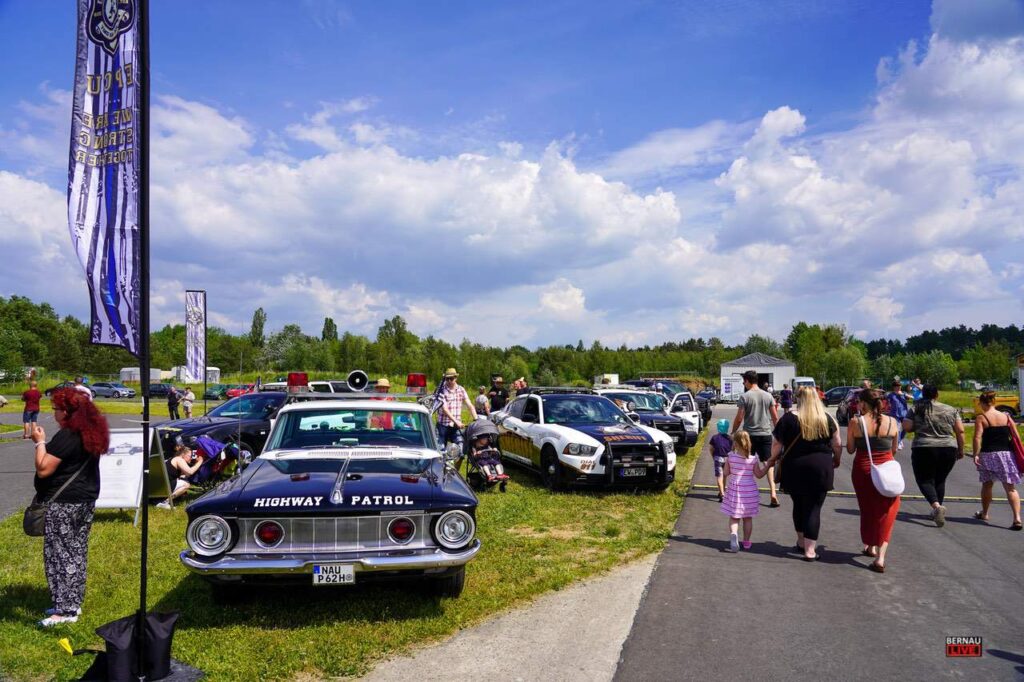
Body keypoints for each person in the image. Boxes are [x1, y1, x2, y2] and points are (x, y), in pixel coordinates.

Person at [31, 388, 109, 626]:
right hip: (84, 500)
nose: (53, 412)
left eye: (55, 408)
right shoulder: (90, 432)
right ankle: (71, 603)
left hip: (64, 503)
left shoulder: (67, 436)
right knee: (75, 551)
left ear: (66, 412)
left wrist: (40, 442)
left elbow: (44, 468)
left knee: (59, 554)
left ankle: (64, 611)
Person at [764, 387, 841, 561]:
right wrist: (836, 459)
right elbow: (837, 443)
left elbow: (777, 443)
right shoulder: (827, 418)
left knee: (798, 504)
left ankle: (800, 541)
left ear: (798, 399)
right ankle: (810, 550)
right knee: (814, 508)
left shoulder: (789, 419)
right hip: (821, 467)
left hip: (794, 467)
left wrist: (772, 459)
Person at [847, 389, 901, 572]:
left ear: (863, 403)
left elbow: (850, 449)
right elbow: (893, 450)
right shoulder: (893, 422)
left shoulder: (856, 422)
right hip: (887, 470)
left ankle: (870, 545)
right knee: (887, 511)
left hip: (863, 469)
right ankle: (881, 556)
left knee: (867, 509)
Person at [902, 385, 964, 527]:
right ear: (937, 394)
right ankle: (938, 509)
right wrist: (960, 449)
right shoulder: (950, 409)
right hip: (948, 448)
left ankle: (936, 507)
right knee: (940, 480)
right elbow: (960, 431)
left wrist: (916, 426)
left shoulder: (916, 408)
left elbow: (906, 426)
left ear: (922, 394)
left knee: (924, 480)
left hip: (924, 448)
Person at [971, 391, 1022, 530]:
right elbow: (1016, 436)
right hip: (1006, 455)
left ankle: (985, 513)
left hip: (988, 455)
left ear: (982, 403)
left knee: (987, 485)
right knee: (1010, 488)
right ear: (993, 402)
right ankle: (1017, 518)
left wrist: (976, 453)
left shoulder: (982, 417)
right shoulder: (1006, 416)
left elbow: (977, 437)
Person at [731, 369, 780, 506]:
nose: (743, 383)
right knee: (767, 464)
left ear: (747, 381)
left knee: (746, 463)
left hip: (749, 436)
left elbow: (739, 418)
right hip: (765, 434)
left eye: (744, 381)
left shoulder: (745, 397)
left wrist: (733, 431)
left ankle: (744, 493)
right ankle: (773, 493)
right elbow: (775, 417)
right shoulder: (768, 396)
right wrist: (779, 433)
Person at [720, 431, 769, 552]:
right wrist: (767, 466)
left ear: (735, 444)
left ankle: (734, 534)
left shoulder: (731, 456)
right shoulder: (753, 459)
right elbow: (759, 475)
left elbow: (726, 473)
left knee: (734, 517)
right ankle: (746, 542)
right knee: (747, 518)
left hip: (734, 489)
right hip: (749, 490)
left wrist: (724, 464)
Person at [436, 368, 477, 450]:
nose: (449, 381)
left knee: (461, 450)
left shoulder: (461, 389)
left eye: (451, 379)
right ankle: (443, 462)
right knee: (440, 450)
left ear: (456, 378)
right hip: (443, 425)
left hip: (456, 427)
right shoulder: (441, 391)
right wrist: (457, 421)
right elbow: (445, 409)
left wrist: (476, 419)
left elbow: (469, 405)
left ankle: (455, 462)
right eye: (447, 379)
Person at [156, 444, 207, 509]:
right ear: (183, 454)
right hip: (163, 486)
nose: (191, 458)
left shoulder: (174, 459)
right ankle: (164, 502)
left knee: (183, 482)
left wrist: (195, 464)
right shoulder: (178, 459)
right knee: (186, 485)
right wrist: (200, 461)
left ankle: (161, 500)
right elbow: (190, 472)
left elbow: (184, 476)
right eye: (190, 456)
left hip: (159, 487)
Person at [709, 419, 732, 502]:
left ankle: (722, 494)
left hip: (718, 458)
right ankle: (722, 491)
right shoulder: (730, 438)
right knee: (724, 475)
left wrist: (713, 456)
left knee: (719, 476)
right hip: (727, 459)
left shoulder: (714, 438)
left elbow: (711, 449)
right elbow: (733, 449)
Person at [885, 381, 909, 450]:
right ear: (894, 387)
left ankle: (900, 439)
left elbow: (911, 397)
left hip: (904, 413)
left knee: (905, 429)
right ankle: (898, 443)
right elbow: (886, 400)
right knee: (898, 429)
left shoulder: (904, 394)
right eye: (897, 386)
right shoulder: (891, 395)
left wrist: (903, 395)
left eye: (900, 386)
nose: (899, 387)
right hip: (895, 414)